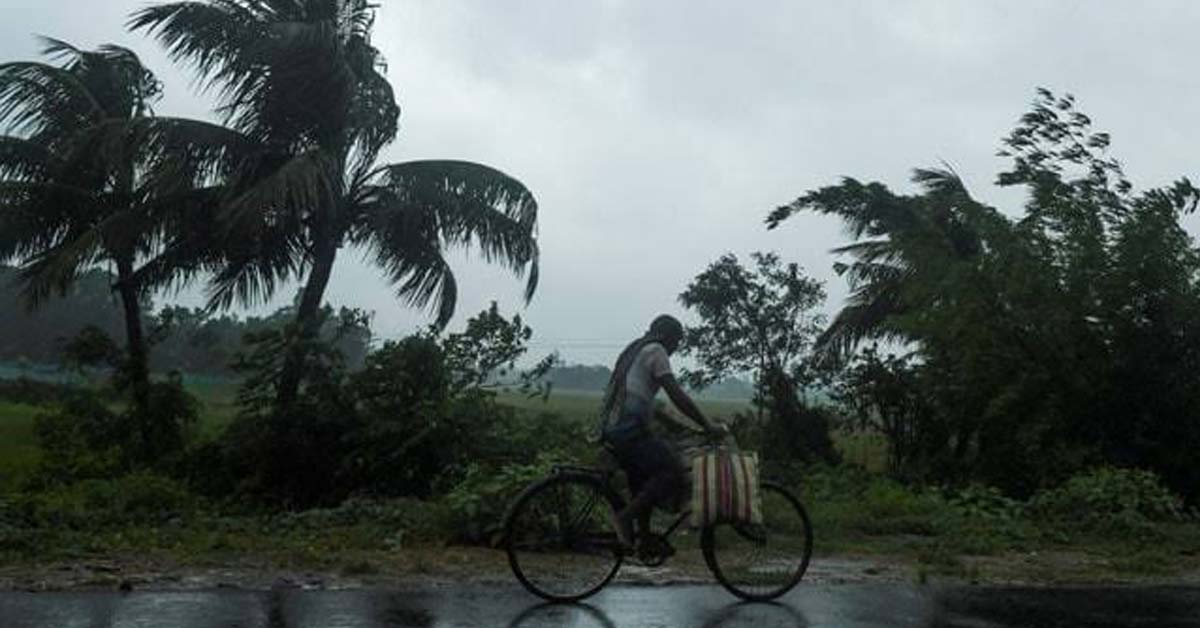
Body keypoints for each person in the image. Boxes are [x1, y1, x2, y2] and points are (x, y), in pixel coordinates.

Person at [600, 314, 723, 553]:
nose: (677, 347)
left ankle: (644, 540)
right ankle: (624, 519)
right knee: (671, 472)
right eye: (677, 341)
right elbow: (676, 395)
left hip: (613, 428)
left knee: (643, 482)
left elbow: (643, 398)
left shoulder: (634, 349)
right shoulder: (656, 351)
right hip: (629, 430)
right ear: (667, 336)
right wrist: (707, 425)